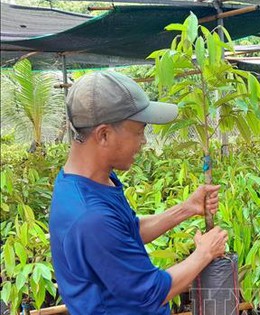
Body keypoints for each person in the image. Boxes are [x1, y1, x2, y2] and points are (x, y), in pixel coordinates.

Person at [49, 71, 229, 315]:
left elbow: (128, 231)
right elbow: (151, 294)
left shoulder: (91, 182)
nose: (143, 141)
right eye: (139, 131)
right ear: (104, 135)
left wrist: (187, 208)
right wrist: (204, 253)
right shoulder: (90, 217)